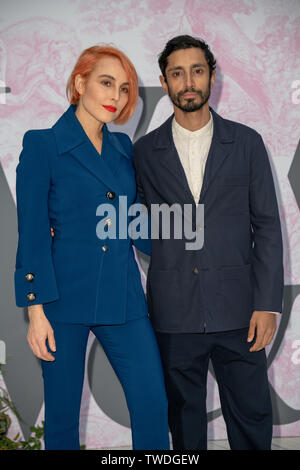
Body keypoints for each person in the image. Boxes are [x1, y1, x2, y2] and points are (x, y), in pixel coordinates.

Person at [14, 45, 170, 451]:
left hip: (123, 296)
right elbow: (32, 232)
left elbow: (133, 223)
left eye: (123, 88)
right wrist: (36, 309)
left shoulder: (122, 149)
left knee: (152, 404)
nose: (115, 97)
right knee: (62, 418)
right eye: (106, 82)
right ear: (80, 82)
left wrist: (192, 243)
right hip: (62, 300)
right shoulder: (42, 145)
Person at [133, 35, 284, 450]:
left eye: (197, 71)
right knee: (184, 421)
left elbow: (268, 226)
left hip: (240, 311)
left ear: (212, 77)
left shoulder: (248, 142)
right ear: (164, 83)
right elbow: (135, 220)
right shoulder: (144, 152)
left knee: (251, 414)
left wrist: (267, 304)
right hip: (173, 312)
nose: (188, 82)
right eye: (177, 73)